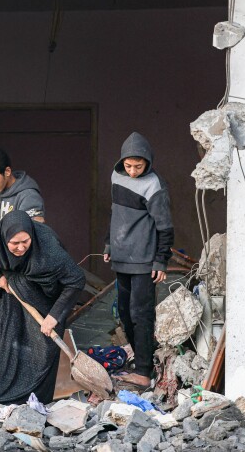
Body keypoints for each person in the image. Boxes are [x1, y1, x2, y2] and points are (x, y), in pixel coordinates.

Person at [0, 210, 85, 404]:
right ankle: (3, 399)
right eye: (14, 243)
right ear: (4, 237)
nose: (21, 248)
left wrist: (54, 316)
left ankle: (36, 402)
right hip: (11, 295)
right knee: (10, 342)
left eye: (26, 241)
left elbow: (76, 280)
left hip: (45, 297)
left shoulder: (50, 251)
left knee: (41, 349)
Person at [103, 132, 174, 389]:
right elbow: (114, 214)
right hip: (121, 257)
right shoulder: (116, 176)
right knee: (123, 312)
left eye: (139, 166)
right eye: (128, 165)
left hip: (144, 259)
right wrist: (109, 243)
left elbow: (165, 227)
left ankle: (144, 372)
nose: (132, 171)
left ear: (149, 163)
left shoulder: (154, 185)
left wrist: (160, 261)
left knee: (140, 314)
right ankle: (142, 361)